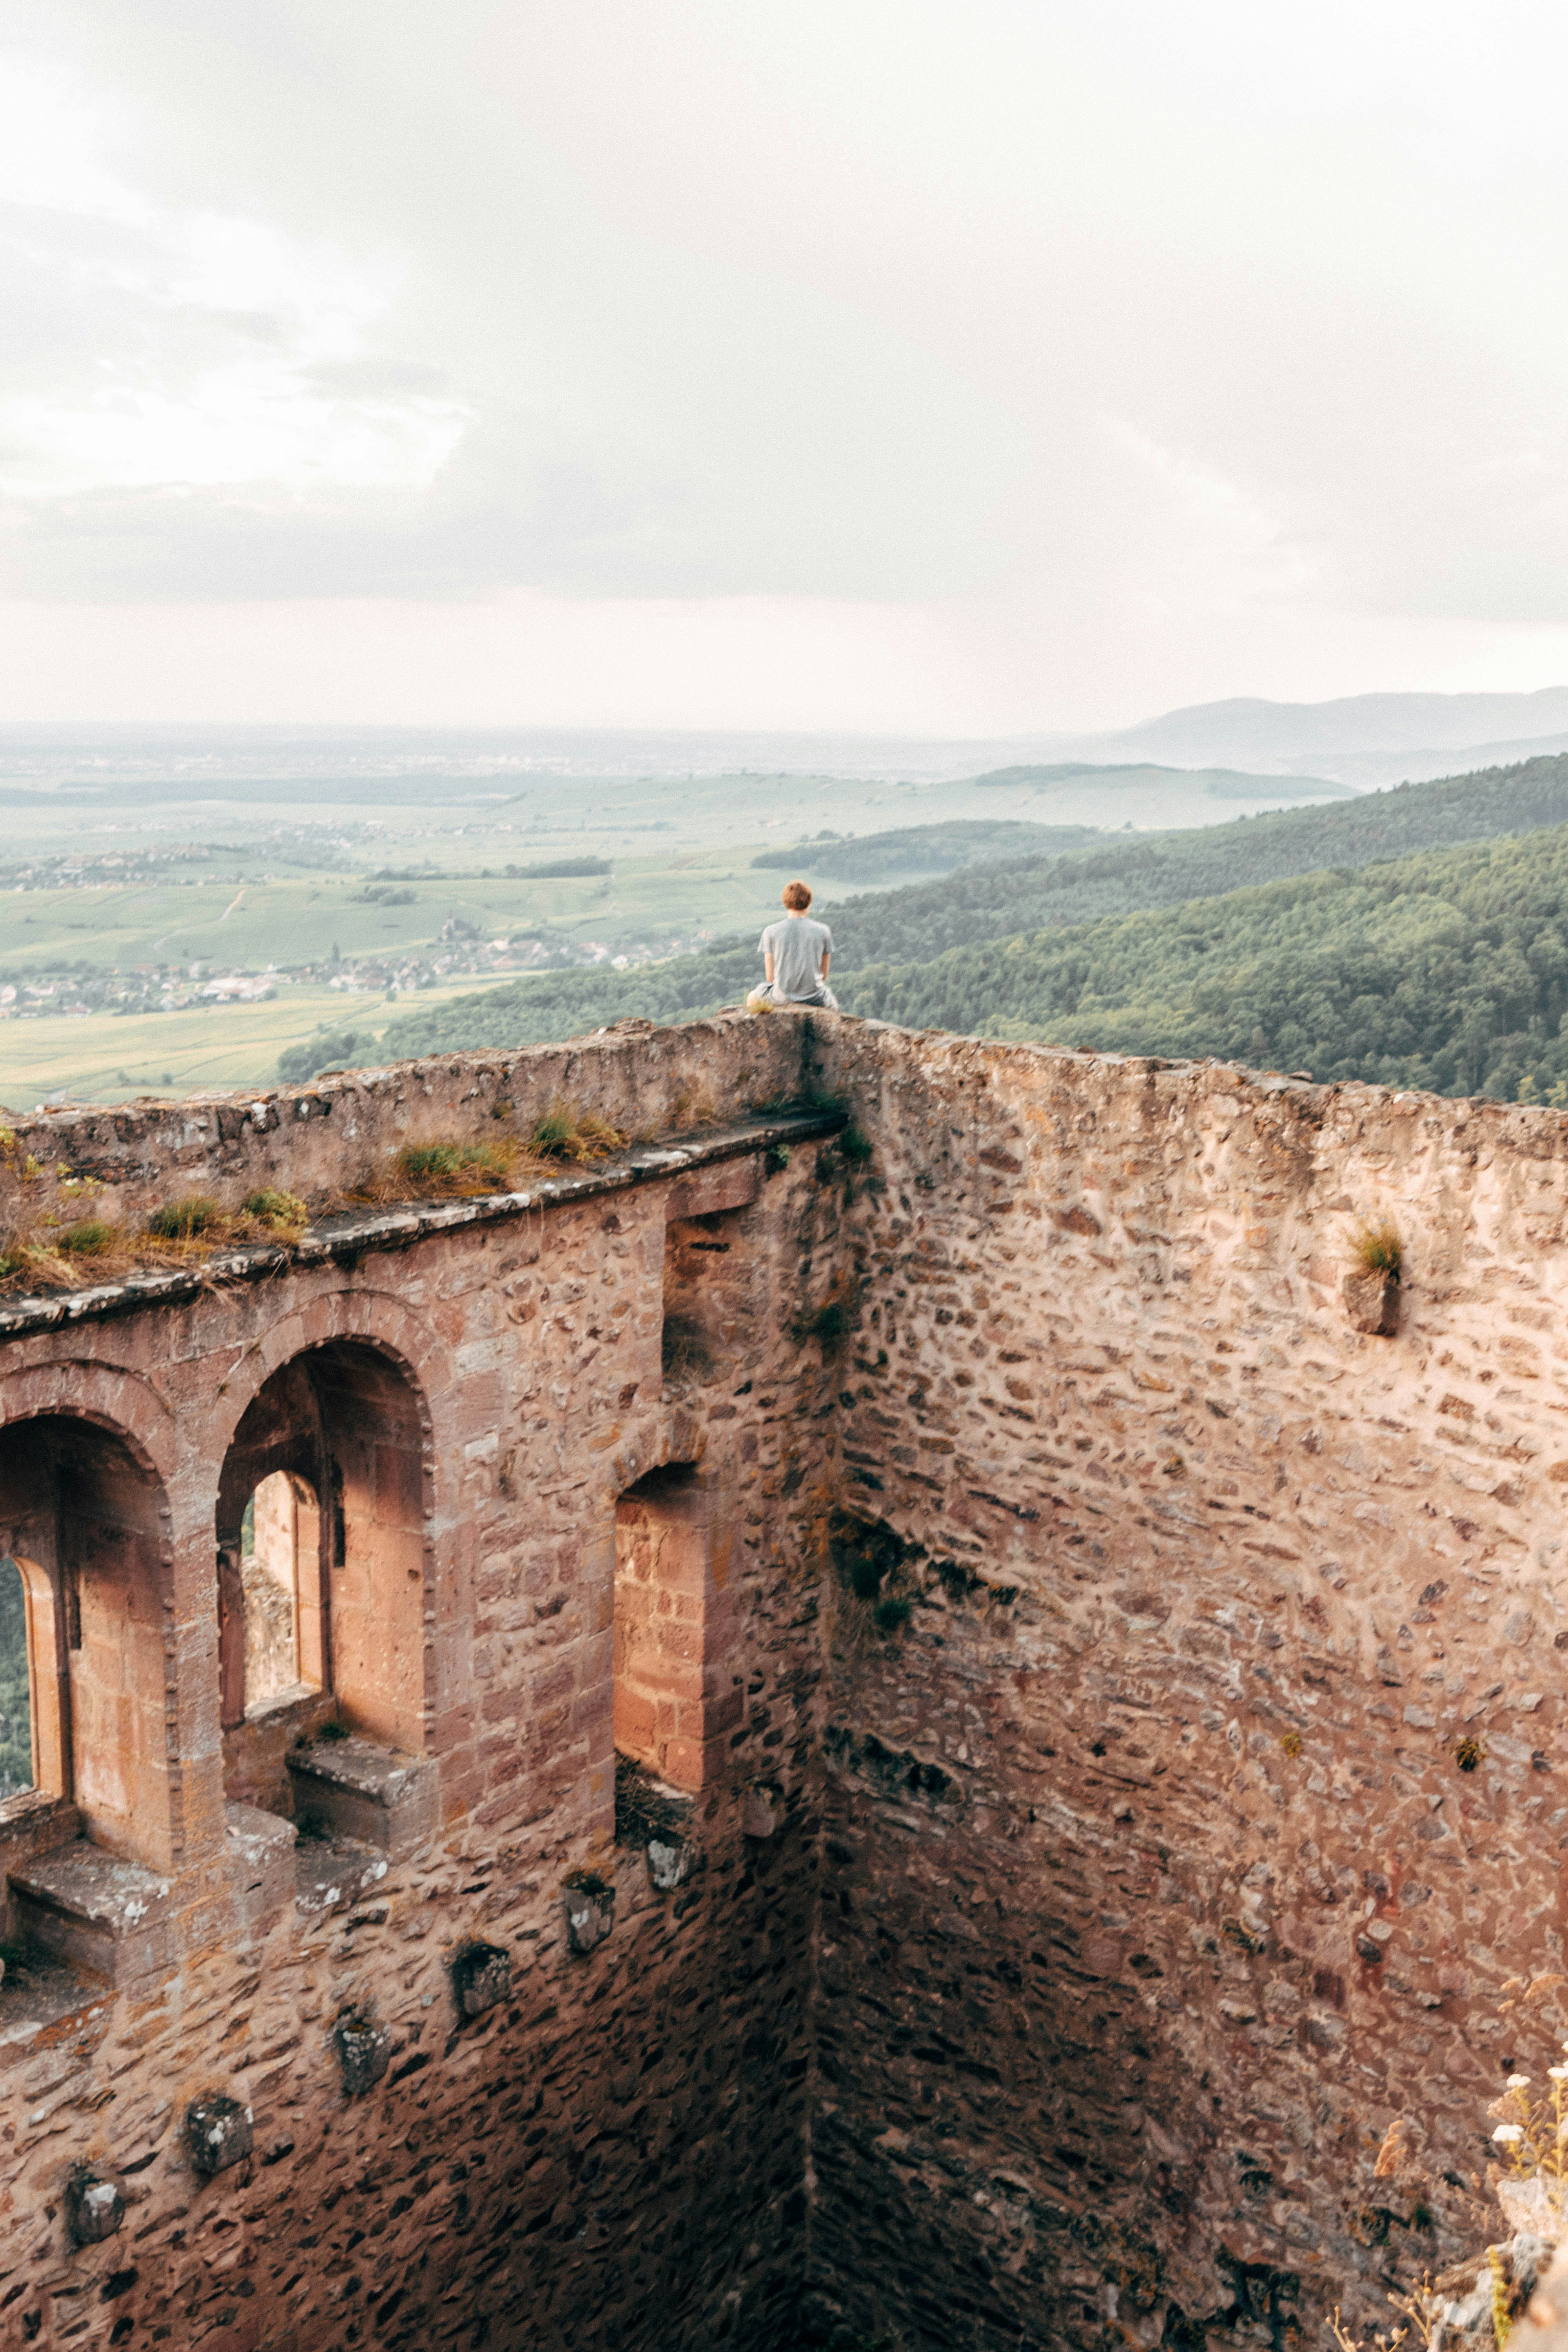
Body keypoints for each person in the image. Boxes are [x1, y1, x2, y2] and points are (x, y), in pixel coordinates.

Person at [748, 880, 838, 1011]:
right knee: (833, 1003)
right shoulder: (824, 931)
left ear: (786, 902)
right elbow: (823, 975)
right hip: (815, 998)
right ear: (809, 902)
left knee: (752, 997)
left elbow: (771, 978)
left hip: (781, 998)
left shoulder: (770, 931)